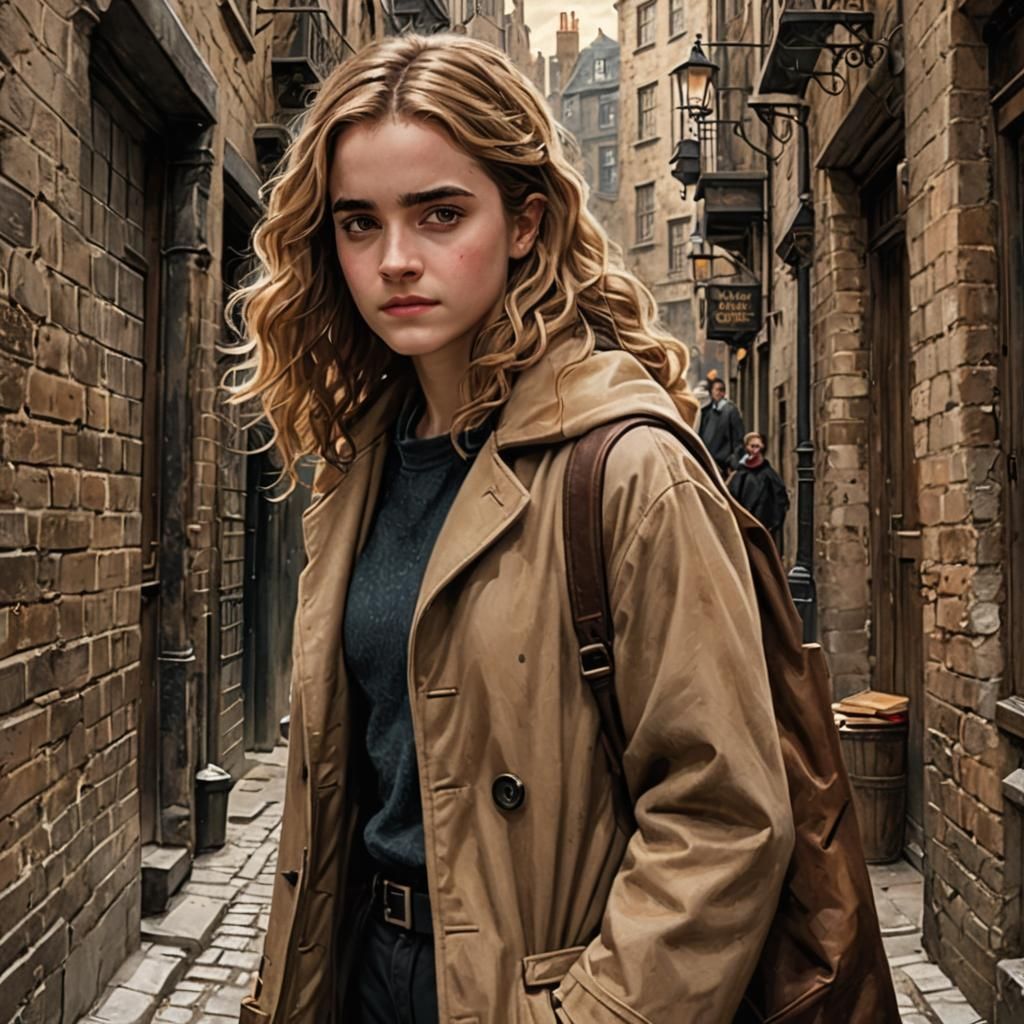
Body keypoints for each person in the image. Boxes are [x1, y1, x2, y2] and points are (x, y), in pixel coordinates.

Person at [228, 34, 793, 1024]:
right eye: (360, 223)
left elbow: (722, 818)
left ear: (525, 222)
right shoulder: (359, 466)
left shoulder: (627, 470)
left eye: (440, 214)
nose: (396, 259)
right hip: (366, 970)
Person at [728, 431, 790, 534]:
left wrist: (772, 525)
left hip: (761, 528)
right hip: (741, 528)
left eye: (758, 446)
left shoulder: (769, 475)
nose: (755, 450)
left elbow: (780, 500)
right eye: (752, 446)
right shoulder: (739, 474)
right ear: (746, 448)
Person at [698, 377, 746, 474]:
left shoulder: (731, 411)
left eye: (722, 390)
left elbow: (738, 438)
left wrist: (733, 462)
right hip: (708, 463)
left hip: (724, 464)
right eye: (717, 390)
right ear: (711, 392)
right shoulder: (706, 412)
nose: (719, 393)